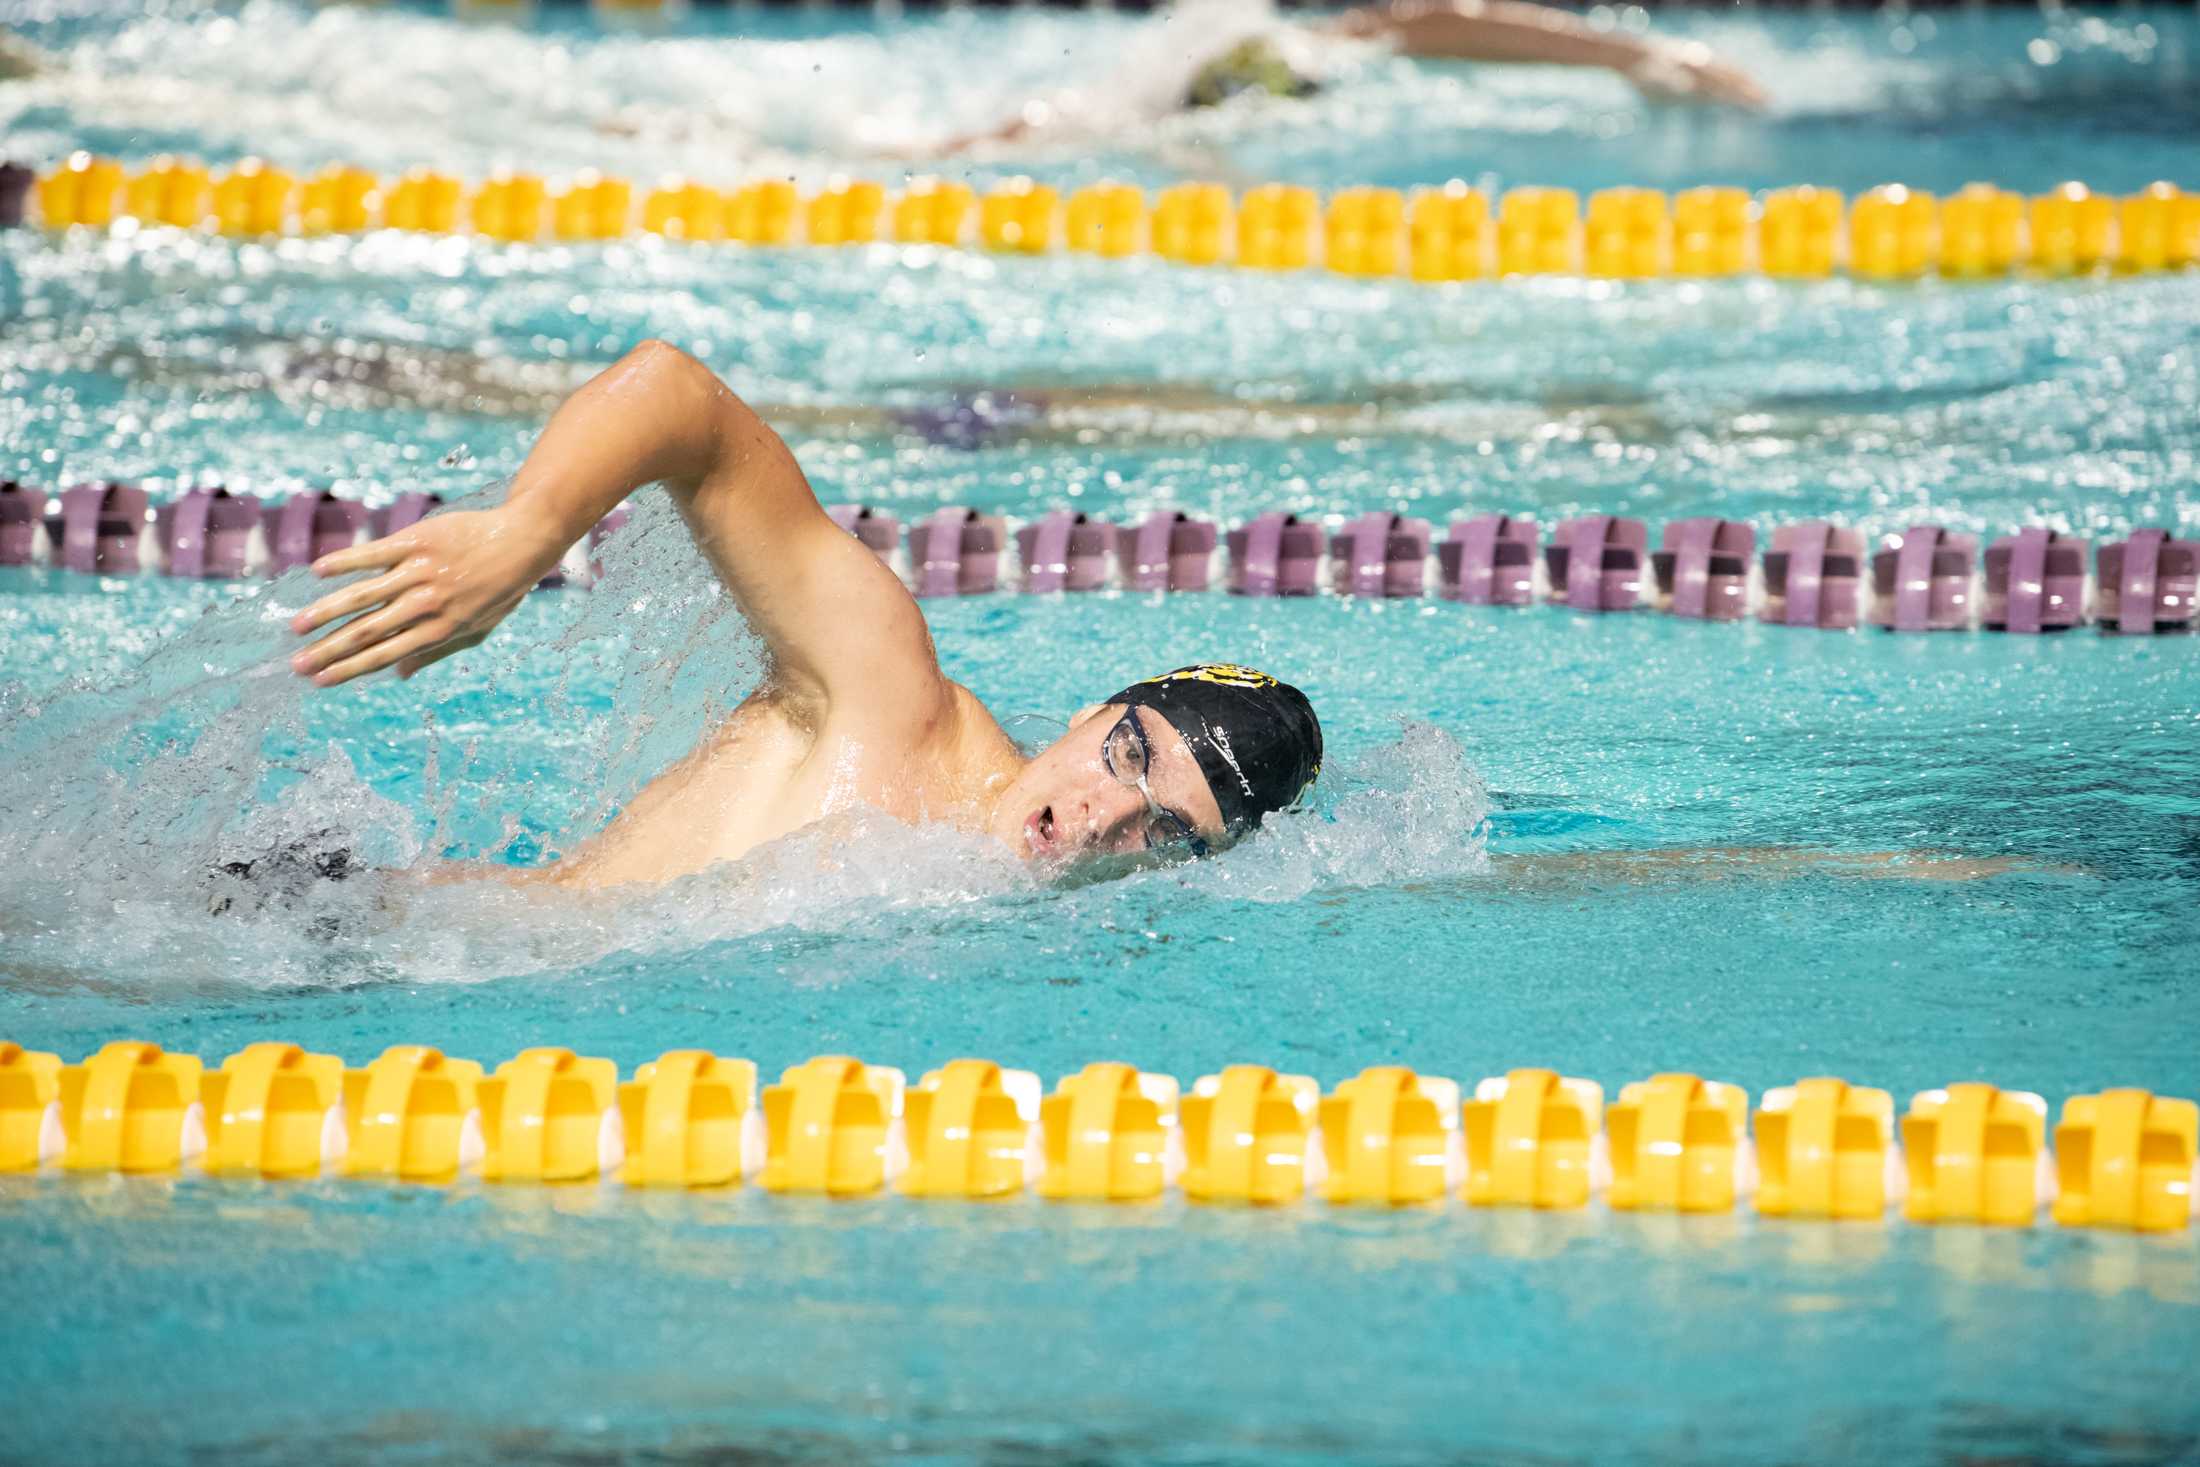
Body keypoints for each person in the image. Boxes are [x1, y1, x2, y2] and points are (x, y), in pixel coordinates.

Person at [285, 340, 1322, 890]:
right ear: (1094, 713)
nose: (1107, 816)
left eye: (1170, 836)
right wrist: (526, 531)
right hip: (322, 930)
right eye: (1127, 756)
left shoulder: (999, 907)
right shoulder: (888, 699)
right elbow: (677, 395)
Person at [946, 0, 1767, 153]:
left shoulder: (1307, 44)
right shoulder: (1251, 47)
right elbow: (1436, 23)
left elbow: (1435, 23)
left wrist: (1636, 58)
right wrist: (1637, 58)